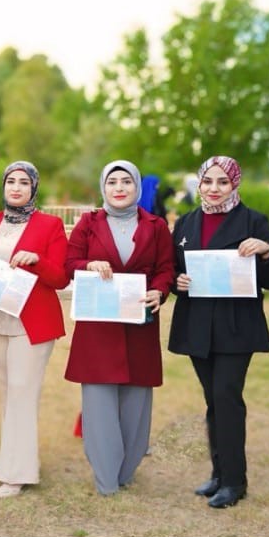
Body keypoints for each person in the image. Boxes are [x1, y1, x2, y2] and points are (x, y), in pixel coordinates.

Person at [168, 155, 269, 509]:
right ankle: (219, 474)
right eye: (208, 181)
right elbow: (172, 272)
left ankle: (235, 481)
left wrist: (265, 253)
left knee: (227, 397)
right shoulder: (186, 222)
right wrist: (176, 281)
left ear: (235, 183)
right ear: (199, 184)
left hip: (236, 327)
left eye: (223, 181)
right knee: (213, 401)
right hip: (197, 325)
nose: (214, 188)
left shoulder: (254, 221)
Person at [64, 160, 174, 496]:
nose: (119, 187)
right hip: (98, 327)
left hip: (139, 324)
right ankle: (106, 479)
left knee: (135, 403)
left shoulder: (156, 225)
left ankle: (126, 472)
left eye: (127, 181)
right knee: (98, 403)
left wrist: (160, 290)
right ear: (104, 187)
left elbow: (166, 269)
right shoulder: (88, 223)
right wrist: (88, 264)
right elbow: (69, 263)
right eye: (112, 182)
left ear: (137, 187)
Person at [0, 161, 68, 499]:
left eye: (24, 182)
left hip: (31, 321)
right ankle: (14, 461)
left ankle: (16, 474)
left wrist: (37, 260)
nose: (16, 187)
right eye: (11, 181)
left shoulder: (50, 225)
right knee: (8, 391)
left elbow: (61, 277)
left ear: (34, 188)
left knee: (22, 391)